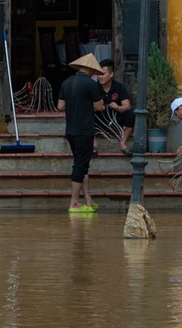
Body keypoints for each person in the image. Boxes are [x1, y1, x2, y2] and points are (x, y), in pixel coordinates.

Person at [56, 52, 107, 213]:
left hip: (70, 130)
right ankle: (74, 203)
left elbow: (60, 106)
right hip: (84, 131)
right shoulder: (90, 84)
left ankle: (88, 200)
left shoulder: (66, 82)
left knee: (82, 164)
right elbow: (100, 107)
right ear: (91, 70)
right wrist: (87, 104)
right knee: (80, 166)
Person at [97, 60, 133, 153]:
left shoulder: (119, 87)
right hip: (99, 120)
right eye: (98, 74)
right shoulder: (94, 87)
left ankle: (123, 143)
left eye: (103, 74)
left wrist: (118, 107)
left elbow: (127, 106)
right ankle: (93, 145)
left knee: (130, 114)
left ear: (111, 74)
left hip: (115, 119)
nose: (100, 77)